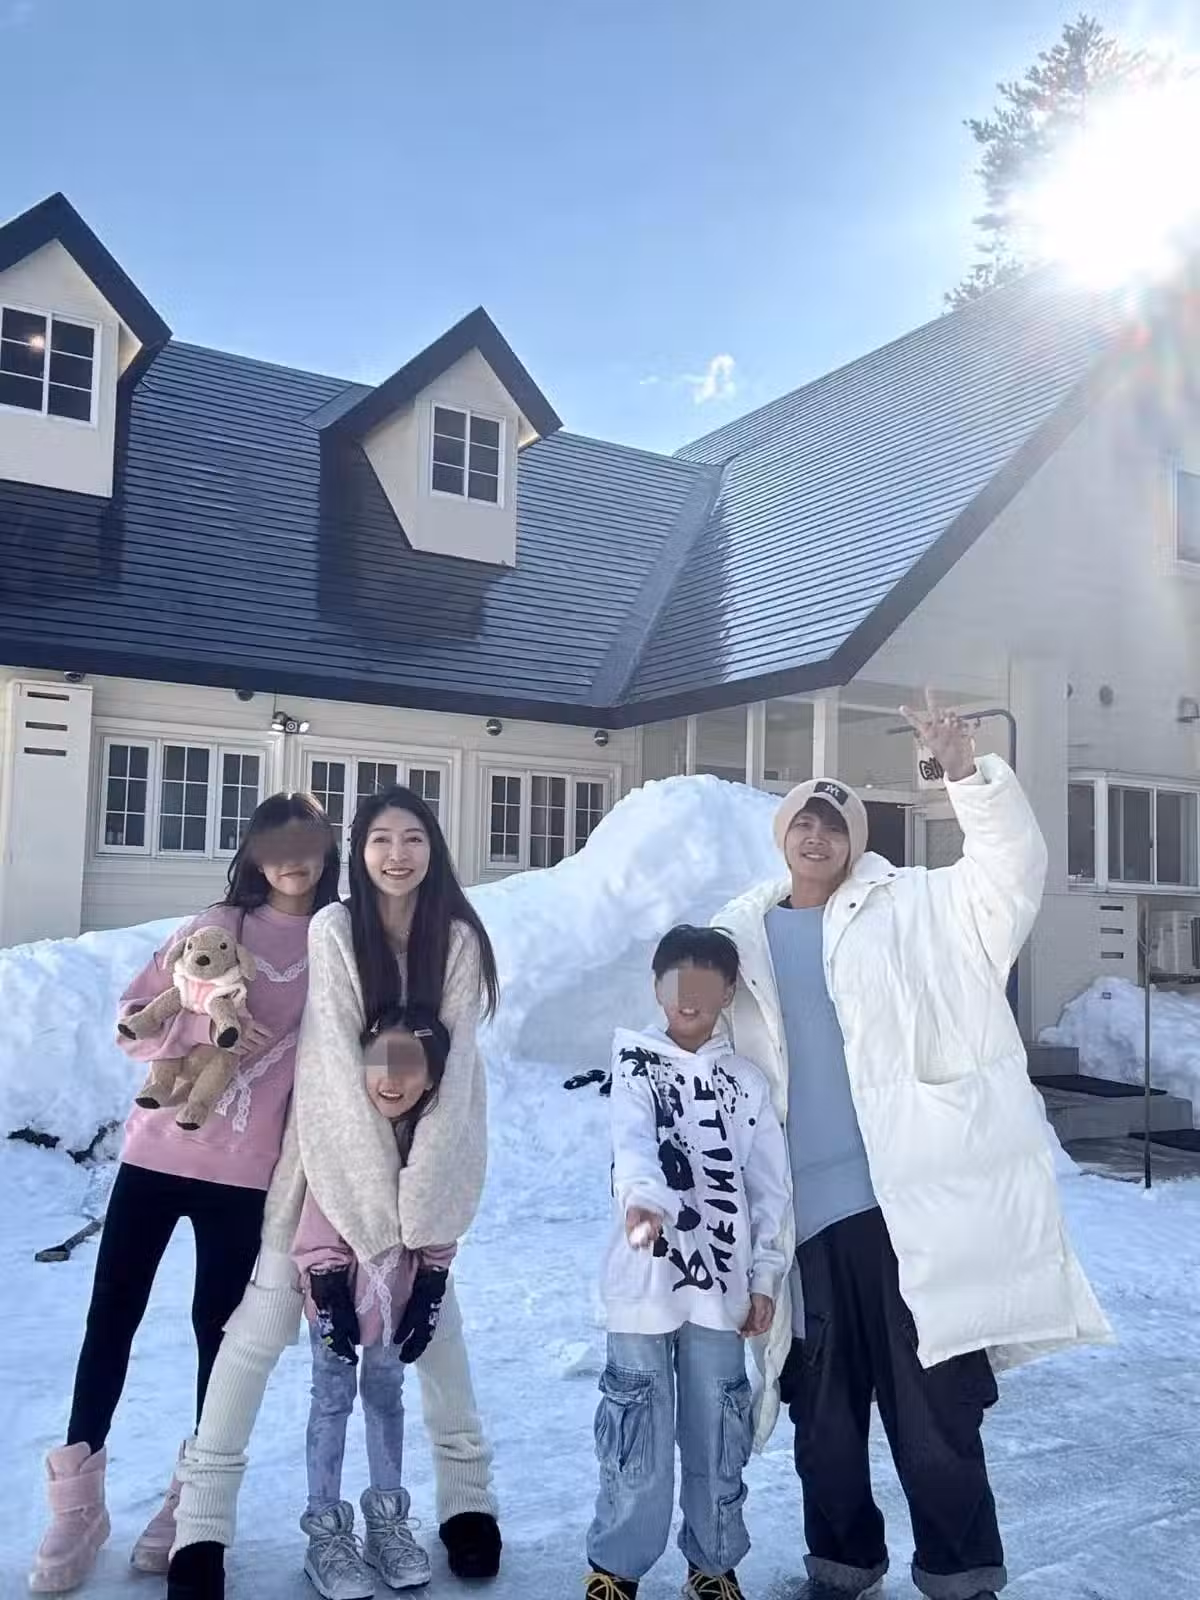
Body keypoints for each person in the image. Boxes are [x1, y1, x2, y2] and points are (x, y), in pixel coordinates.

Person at [713, 694, 1112, 1600]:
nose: (816, 835)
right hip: (801, 1223)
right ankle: (841, 1561)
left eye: (834, 823)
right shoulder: (739, 938)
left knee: (935, 1411)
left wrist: (965, 775)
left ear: (857, 842)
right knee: (822, 1414)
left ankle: (961, 1572)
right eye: (802, 820)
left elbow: (1009, 873)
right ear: (781, 836)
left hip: (907, 1209)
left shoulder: (922, 909)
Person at [167, 785, 503, 1600]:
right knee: (256, 1334)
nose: (397, 855)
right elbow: (329, 1070)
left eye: (413, 838)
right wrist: (379, 1227)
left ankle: (467, 1503)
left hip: (423, 1178)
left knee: (437, 1340)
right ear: (360, 852)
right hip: (322, 1170)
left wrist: (421, 1226)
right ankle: (200, 1526)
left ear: (434, 848)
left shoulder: (457, 938)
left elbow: (458, 1078)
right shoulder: (334, 929)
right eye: (381, 839)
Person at [28, 793, 341, 1595]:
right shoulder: (217, 922)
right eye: (275, 845)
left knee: (218, 1333)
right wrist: (208, 1027)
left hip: (246, 1169)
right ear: (255, 853)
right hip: (158, 1152)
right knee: (112, 1314)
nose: (291, 861)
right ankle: (77, 1504)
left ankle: (190, 1500)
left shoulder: (335, 938)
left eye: (305, 844)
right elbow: (135, 1016)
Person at [585, 925, 790, 1600]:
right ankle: (616, 1567)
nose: (689, 996)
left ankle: (713, 1563)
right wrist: (643, 1203)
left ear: (729, 993)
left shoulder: (747, 1085)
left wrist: (765, 1275)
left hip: (720, 1290)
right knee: (636, 1435)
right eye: (677, 982)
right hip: (643, 1283)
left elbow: (769, 1188)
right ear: (657, 988)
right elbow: (634, 1147)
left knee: (717, 1434)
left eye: (706, 983)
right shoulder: (636, 1064)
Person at [293, 1003, 456, 1598]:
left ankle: (387, 1522)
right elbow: (321, 1206)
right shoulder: (342, 1134)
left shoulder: (431, 1141)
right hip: (339, 1292)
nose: (391, 1078)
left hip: (398, 1294)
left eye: (409, 1064)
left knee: (387, 1396)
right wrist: (326, 1288)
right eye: (380, 1061)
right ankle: (326, 1531)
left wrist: (431, 1285)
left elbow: (441, 1210)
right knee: (332, 1398)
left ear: (432, 1077)